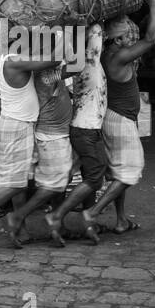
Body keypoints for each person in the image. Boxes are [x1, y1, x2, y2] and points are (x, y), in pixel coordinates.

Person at [0, 48, 60, 251]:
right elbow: (55, 59)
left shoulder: (15, 60)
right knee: (16, 184)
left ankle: (19, 228)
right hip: (18, 126)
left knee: (16, 182)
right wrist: (66, 34)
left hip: (19, 125)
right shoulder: (13, 60)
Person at [83, 0, 155, 237]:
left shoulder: (109, 53)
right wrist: (153, 5)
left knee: (119, 171)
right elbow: (151, 39)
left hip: (115, 117)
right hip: (120, 119)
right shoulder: (118, 56)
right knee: (130, 171)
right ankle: (93, 212)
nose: (131, 39)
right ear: (117, 40)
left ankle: (121, 219)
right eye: (127, 36)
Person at [46, 24, 107, 247]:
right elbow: (95, 30)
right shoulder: (89, 60)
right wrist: (85, 22)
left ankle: (87, 223)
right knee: (94, 177)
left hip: (85, 127)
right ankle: (57, 215)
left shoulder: (72, 66)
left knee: (87, 175)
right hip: (86, 129)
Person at [5, 51, 73, 247]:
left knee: (50, 180)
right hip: (49, 132)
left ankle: (53, 224)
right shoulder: (44, 71)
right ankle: (20, 217)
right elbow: (75, 66)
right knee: (56, 181)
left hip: (47, 129)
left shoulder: (45, 68)